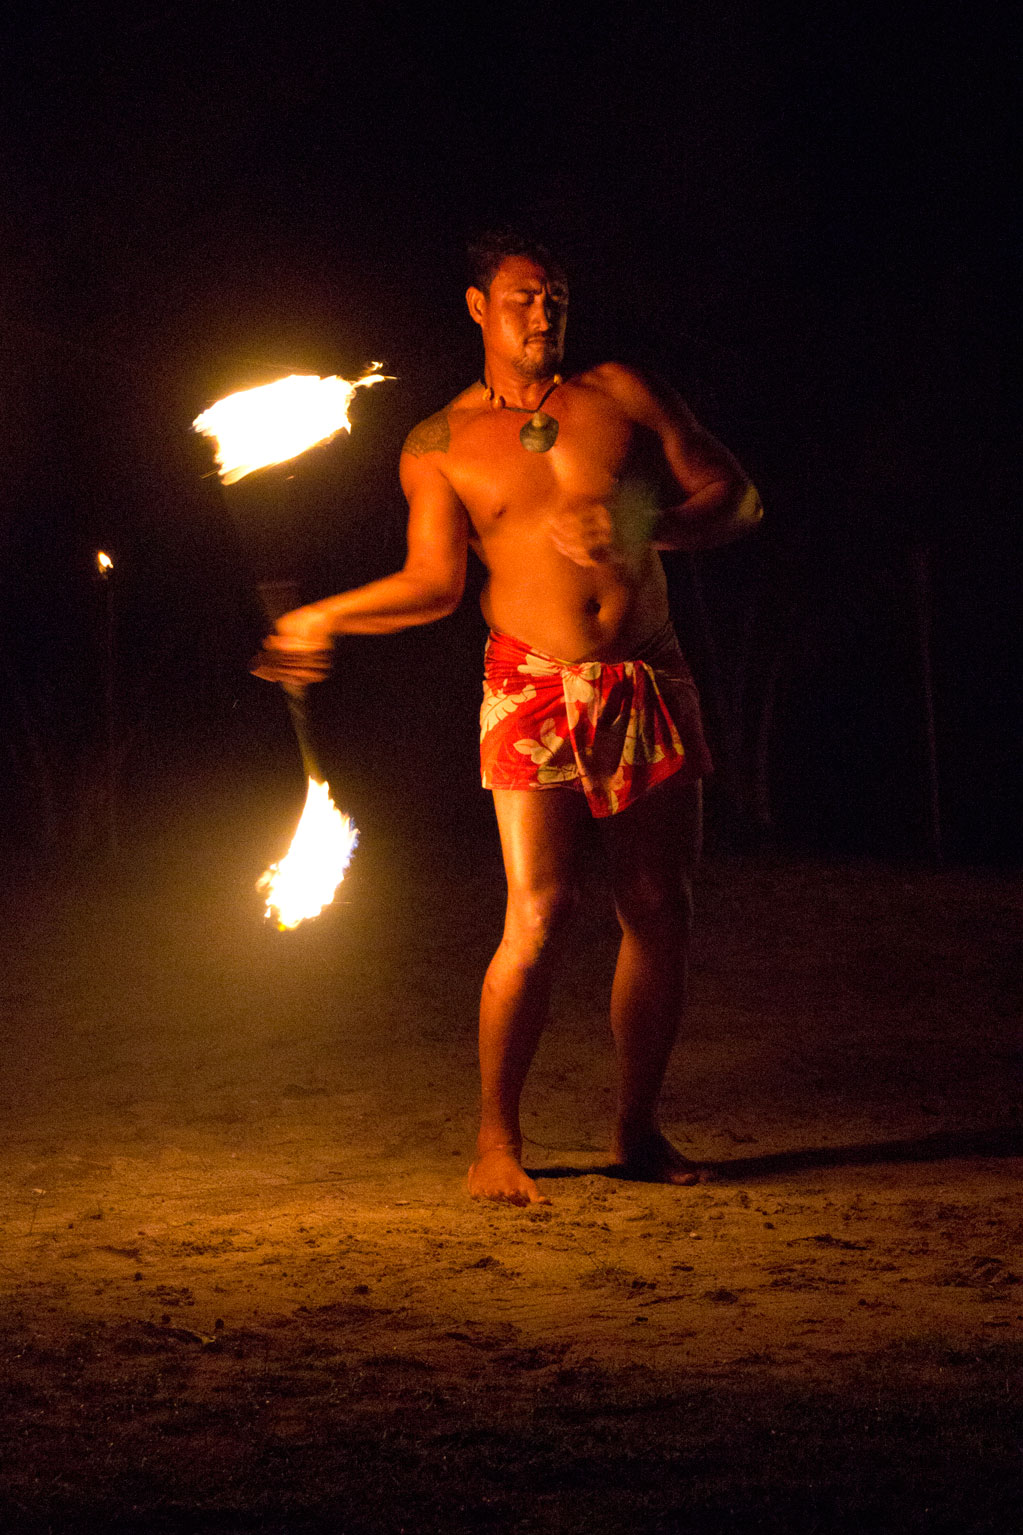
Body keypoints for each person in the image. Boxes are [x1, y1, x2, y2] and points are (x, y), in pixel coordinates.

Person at [253, 232, 763, 1205]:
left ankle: (636, 1131)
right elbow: (435, 584)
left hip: (644, 676)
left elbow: (737, 501)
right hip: (528, 683)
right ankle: (496, 1141)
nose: (545, 313)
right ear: (479, 307)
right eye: (526, 296)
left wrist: (644, 523)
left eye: (558, 297)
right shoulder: (438, 443)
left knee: (659, 908)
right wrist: (325, 615)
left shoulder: (619, 394)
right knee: (537, 912)